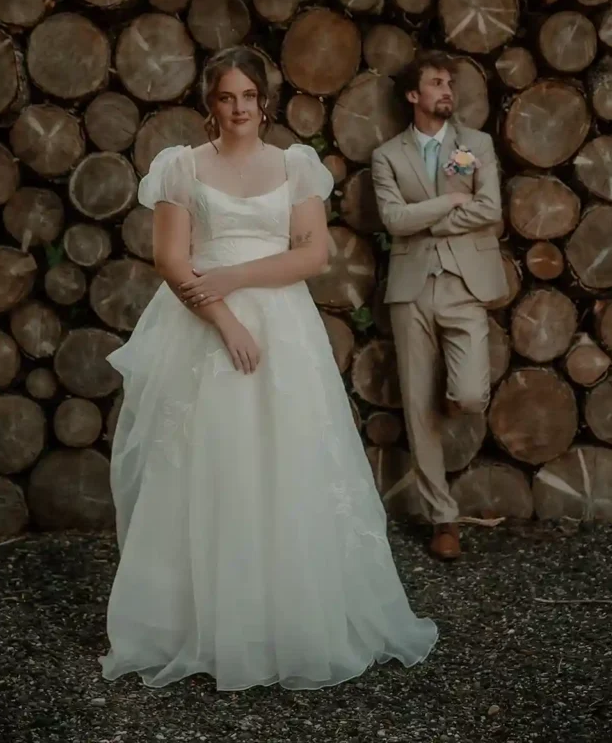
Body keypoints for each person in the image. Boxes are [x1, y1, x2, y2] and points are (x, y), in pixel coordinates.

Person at [99, 46, 437, 692]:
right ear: (210, 103)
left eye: (247, 97)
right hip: (204, 326)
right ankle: (199, 622)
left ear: (264, 101)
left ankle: (290, 617)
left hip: (283, 328)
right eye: (225, 98)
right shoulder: (181, 168)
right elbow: (171, 260)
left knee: (287, 461)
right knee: (210, 465)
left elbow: (313, 253)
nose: (237, 109)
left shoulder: (294, 166)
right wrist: (224, 316)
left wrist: (236, 275)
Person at [371, 52, 508, 561]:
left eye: (449, 82)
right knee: (416, 407)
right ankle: (442, 518)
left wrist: (427, 217)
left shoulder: (473, 146)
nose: (446, 89)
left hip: (464, 284)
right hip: (410, 289)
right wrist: (448, 205)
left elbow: (489, 207)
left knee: (469, 393)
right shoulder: (387, 156)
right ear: (414, 96)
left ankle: (455, 396)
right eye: (435, 82)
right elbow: (391, 219)